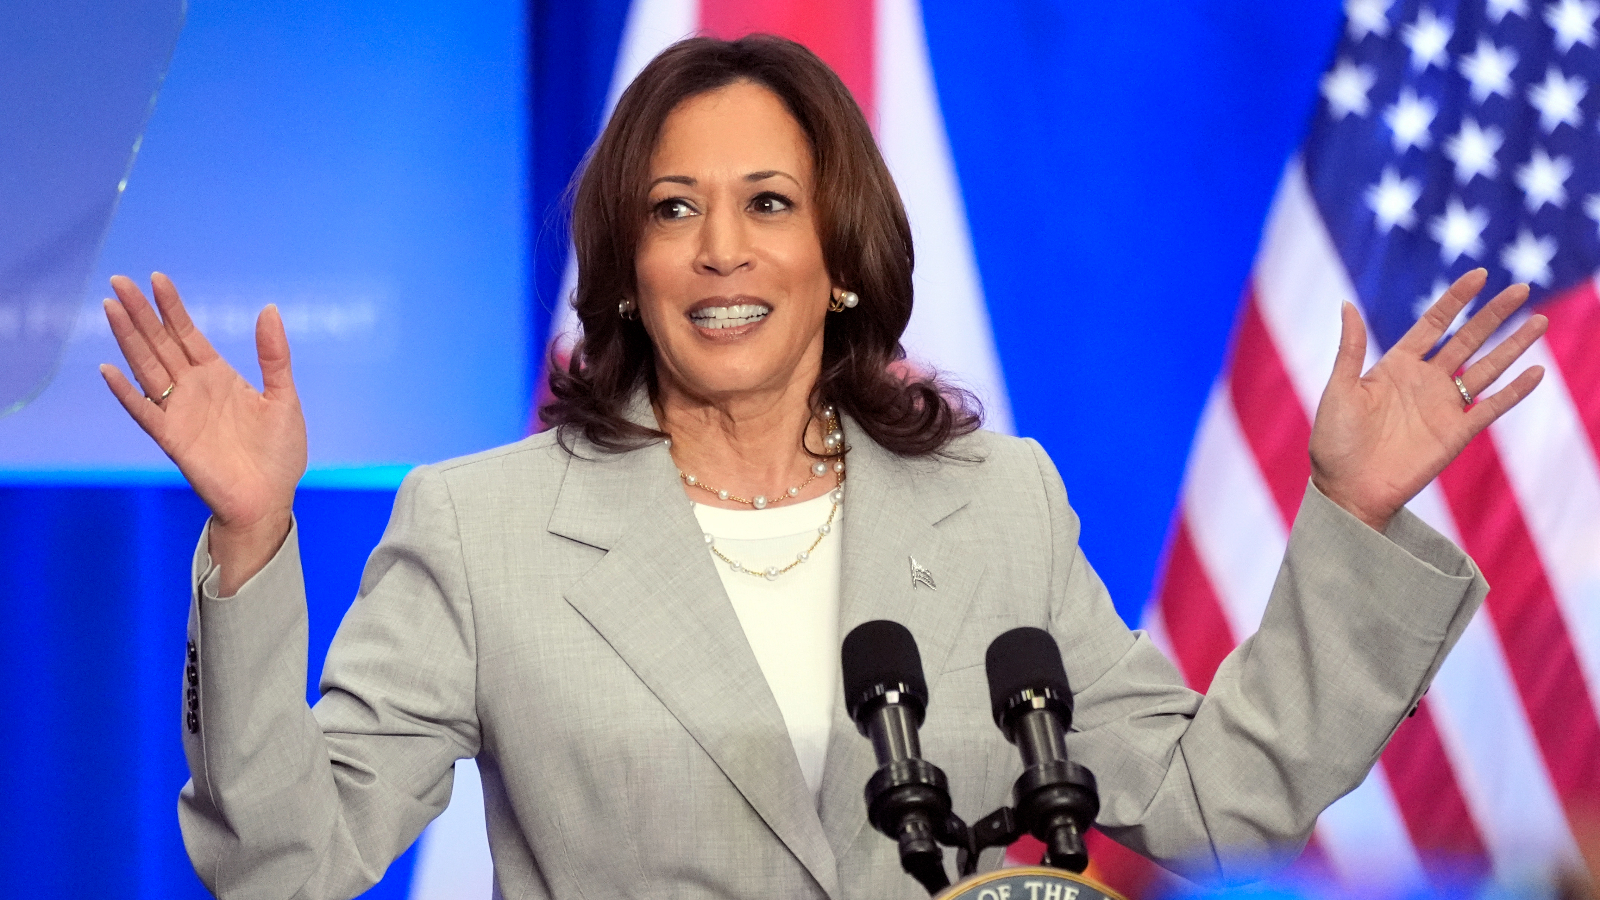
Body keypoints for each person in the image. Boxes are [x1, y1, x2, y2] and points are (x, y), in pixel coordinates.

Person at [98, 35, 1547, 900]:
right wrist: (254, 538)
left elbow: (1218, 799)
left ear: (840, 258)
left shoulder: (996, 504)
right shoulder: (481, 528)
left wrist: (1354, 511)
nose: (721, 251)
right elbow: (287, 864)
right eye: (674, 210)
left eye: (769, 204)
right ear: (627, 269)